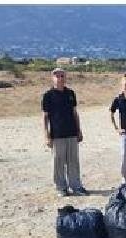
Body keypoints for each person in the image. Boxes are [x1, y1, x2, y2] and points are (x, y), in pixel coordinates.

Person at [41, 68, 89, 197]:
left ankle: (76, 186)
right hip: (57, 134)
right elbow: (45, 117)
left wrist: (79, 130)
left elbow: (75, 113)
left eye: (62, 76)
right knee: (58, 162)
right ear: (53, 78)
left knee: (73, 161)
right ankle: (61, 187)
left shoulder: (70, 93)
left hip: (72, 133)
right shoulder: (48, 96)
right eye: (57, 76)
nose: (60, 78)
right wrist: (47, 135)